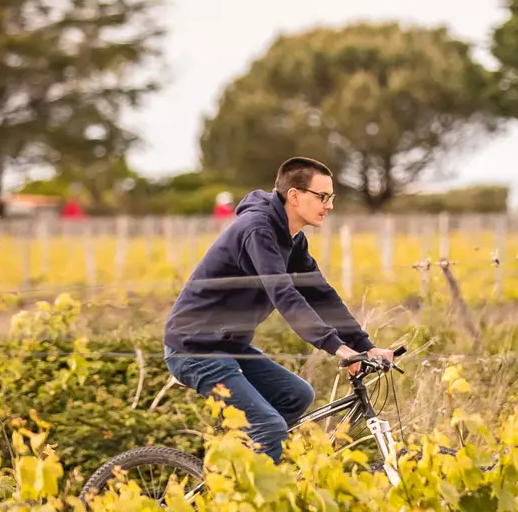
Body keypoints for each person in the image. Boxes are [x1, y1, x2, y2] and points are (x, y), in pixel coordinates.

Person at [163, 156, 393, 461]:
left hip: (228, 346)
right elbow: (284, 294)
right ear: (295, 196)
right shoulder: (257, 229)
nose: (330, 205)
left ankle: (235, 466)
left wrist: (363, 346)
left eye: (332, 197)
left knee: (296, 396)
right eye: (322, 196)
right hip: (195, 349)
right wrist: (337, 348)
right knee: (270, 427)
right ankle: (248, 502)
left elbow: (320, 294)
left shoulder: (292, 239)